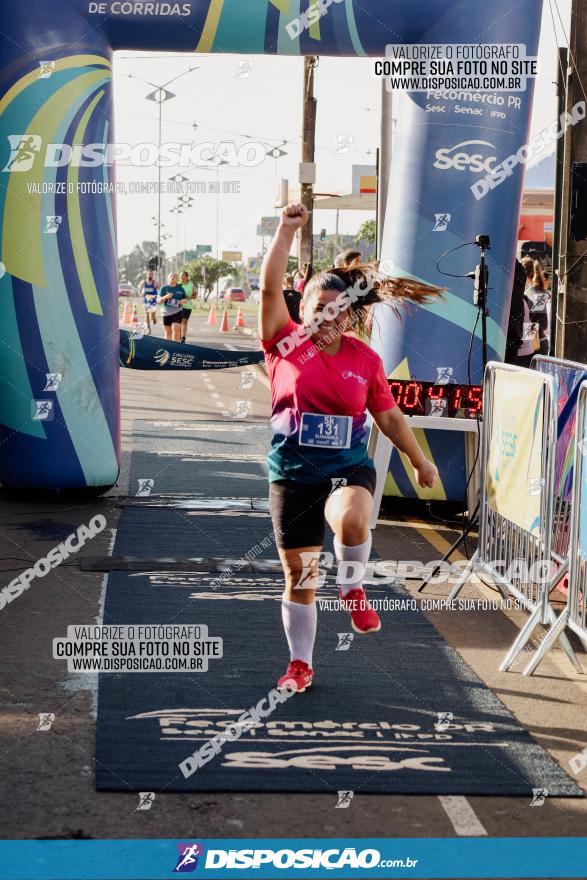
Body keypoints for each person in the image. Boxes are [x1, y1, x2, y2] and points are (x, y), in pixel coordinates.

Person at [259, 203, 442, 694]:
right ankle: (301, 665)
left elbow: (389, 417)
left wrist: (418, 459)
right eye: (319, 308)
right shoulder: (283, 344)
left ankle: (353, 586)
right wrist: (284, 231)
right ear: (303, 310)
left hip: (346, 471)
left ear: (351, 315)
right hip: (293, 475)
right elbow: (269, 288)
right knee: (300, 576)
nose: (328, 317)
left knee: (353, 519)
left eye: (338, 309)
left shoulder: (366, 359)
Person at [522, 256, 550, 356]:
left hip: (537, 345)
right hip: (536, 344)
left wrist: (526, 340)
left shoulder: (533, 292)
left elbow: (541, 323)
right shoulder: (531, 291)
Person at [157, 272, 187, 342]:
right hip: (166, 312)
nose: (173, 277)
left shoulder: (180, 289)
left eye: (174, 276)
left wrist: (183, 301)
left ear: (177, 279)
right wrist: (166, 297)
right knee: (168, 332)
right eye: (171, 276)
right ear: (168, 278)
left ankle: (176, 347)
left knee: (176, 328)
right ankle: (168, 348)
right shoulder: (164, 288)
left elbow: (185, 298)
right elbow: (158, 301)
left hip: (177, 311)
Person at [179, 270, 195, 343]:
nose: (181, 276)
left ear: (186, 277)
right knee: (179, 321)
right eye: (181, 275)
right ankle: (179, 335)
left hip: (188, 306)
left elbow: (195, 295)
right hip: (179, 306)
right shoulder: (178, 285)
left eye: (183, 275)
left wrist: (188, 298)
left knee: (184, 322)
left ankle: (183, 337)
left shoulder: (190, 284)